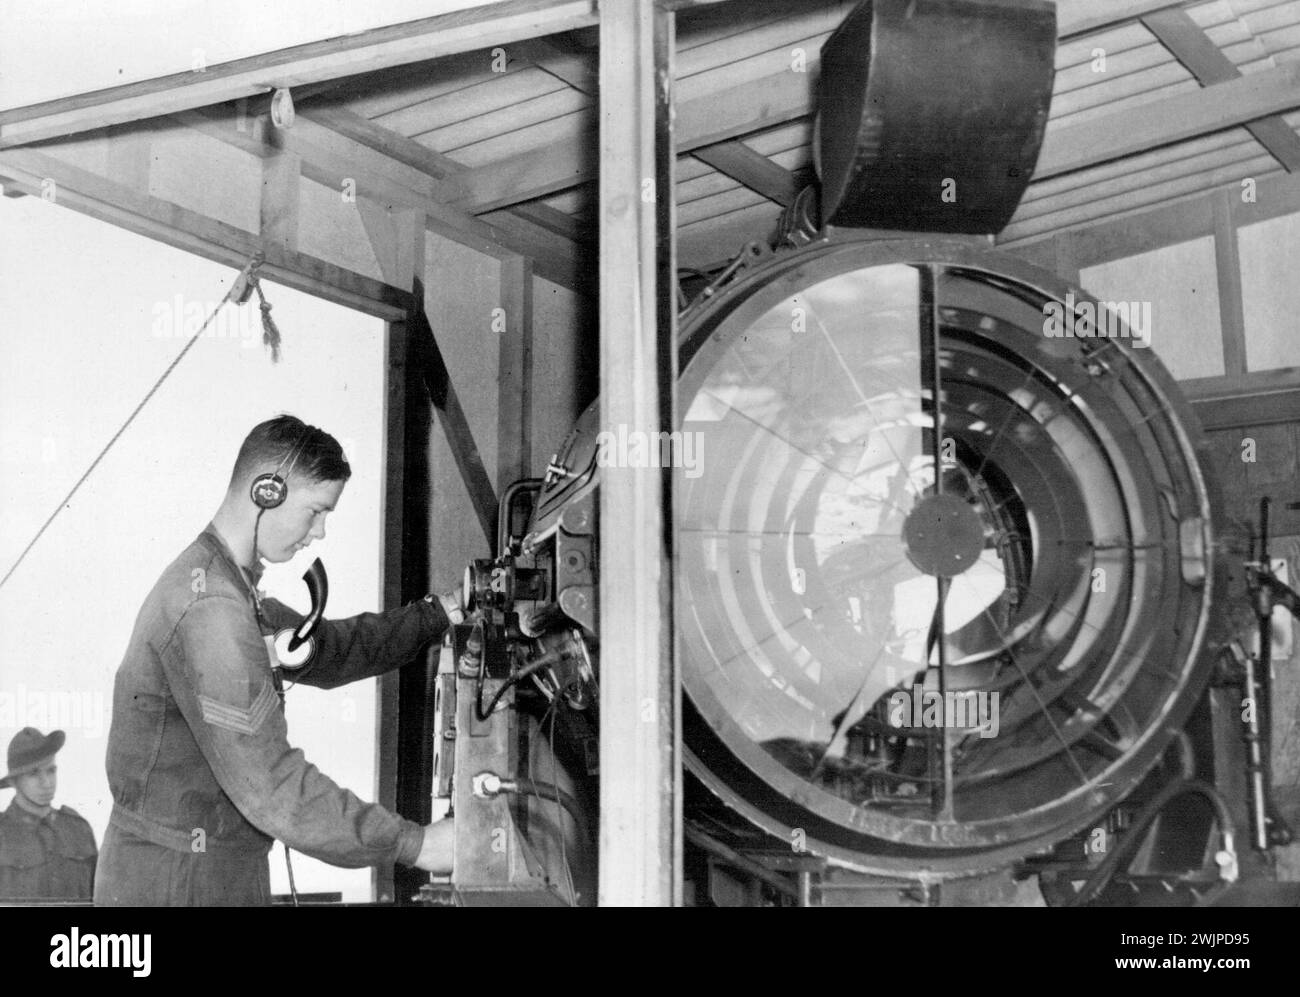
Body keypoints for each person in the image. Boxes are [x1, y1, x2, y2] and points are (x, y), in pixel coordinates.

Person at [94, 415, 461, 906]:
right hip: (178, 881)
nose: (320, 532)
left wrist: (439, 614)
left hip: (213, 866)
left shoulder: (234, 592)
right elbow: (272, 785)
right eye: (315, 511)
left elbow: (331, 648)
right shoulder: (211, 611)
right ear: (266, 491)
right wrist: (418, 844)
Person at [0, 727, 98, 900]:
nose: (46, 783)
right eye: (33, 773)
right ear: (14, 781)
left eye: (51, 771)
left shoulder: (78, 830)